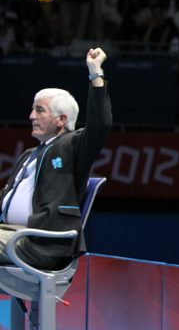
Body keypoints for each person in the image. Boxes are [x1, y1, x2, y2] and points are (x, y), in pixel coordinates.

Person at [0, 48, 112, 270]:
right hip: (11, 233)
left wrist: (95, 73)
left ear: (61, 119)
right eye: (33, 110)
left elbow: (101, 125)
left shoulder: (72, 146)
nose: (31, 116)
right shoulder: (28, 155)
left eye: (39, 110)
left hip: (43, 243)